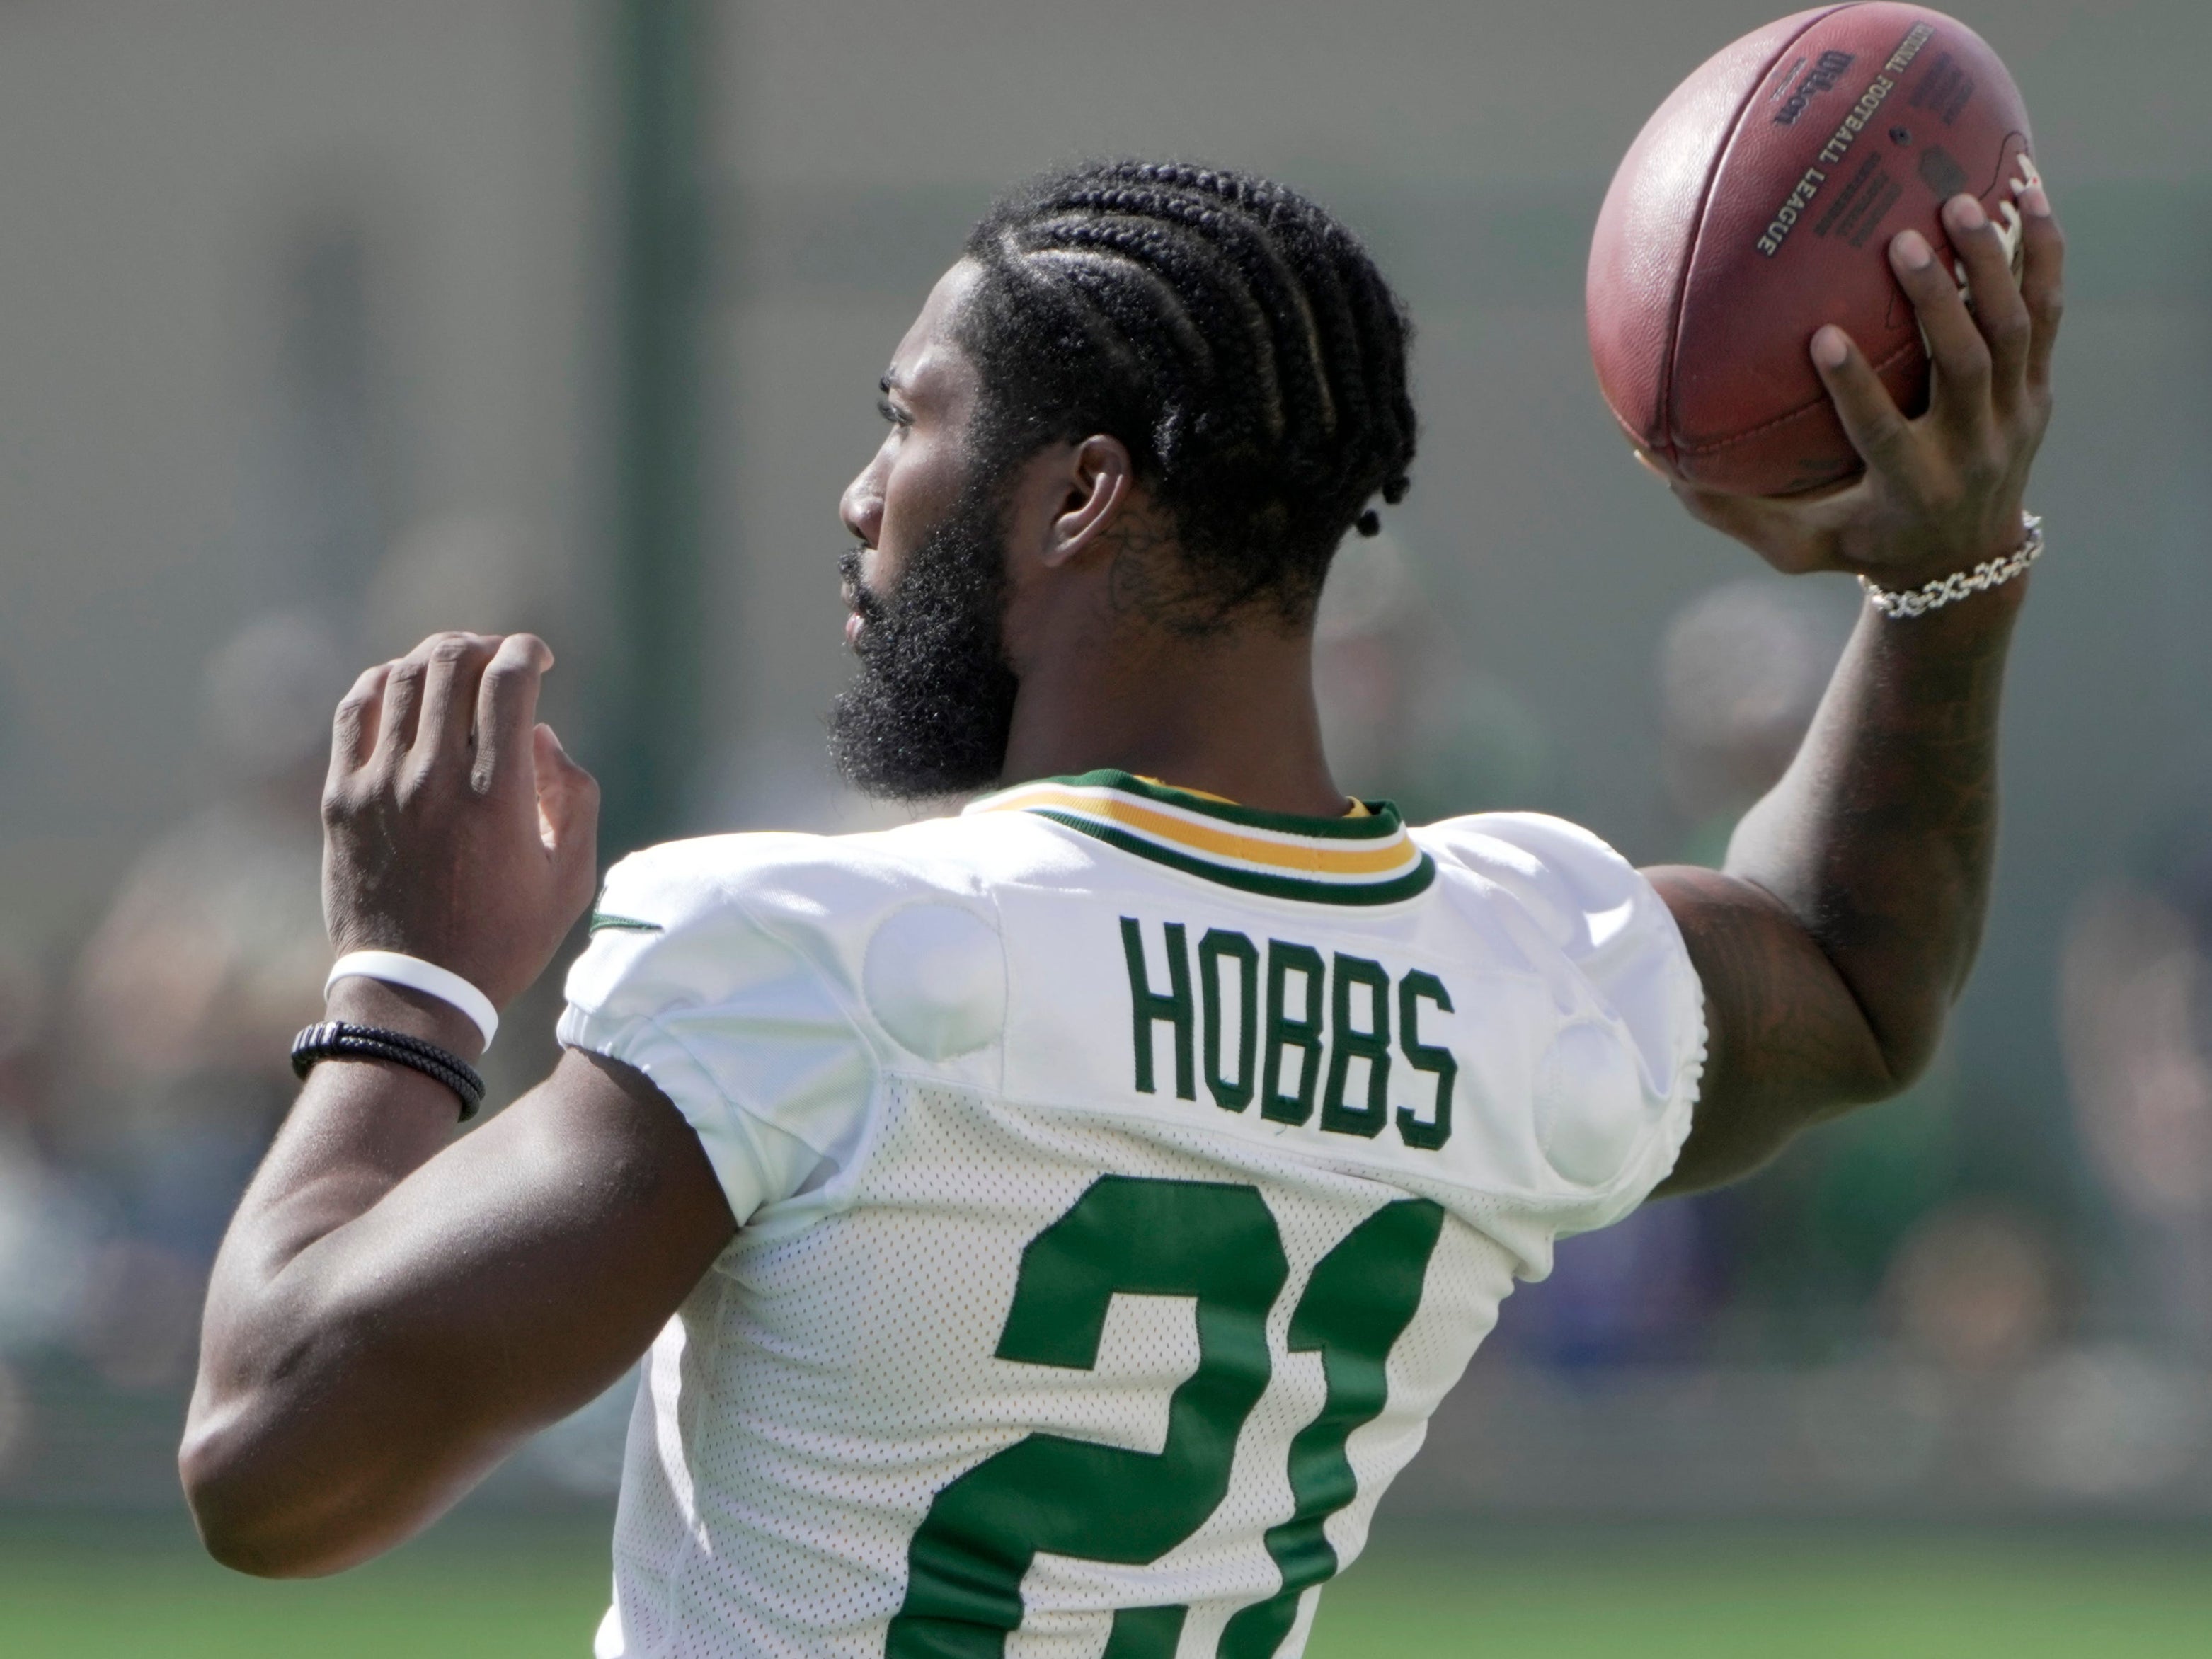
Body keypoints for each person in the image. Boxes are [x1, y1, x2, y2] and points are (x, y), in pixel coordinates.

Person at [180, 161, 2063, 1657]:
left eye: (906, 421)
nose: (859, 496)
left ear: (1083, 495)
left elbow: (274, 1469)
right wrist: (1949, 567)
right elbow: (1853, 972)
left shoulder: (829, 967)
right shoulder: (1515, 980)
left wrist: (406, 978)